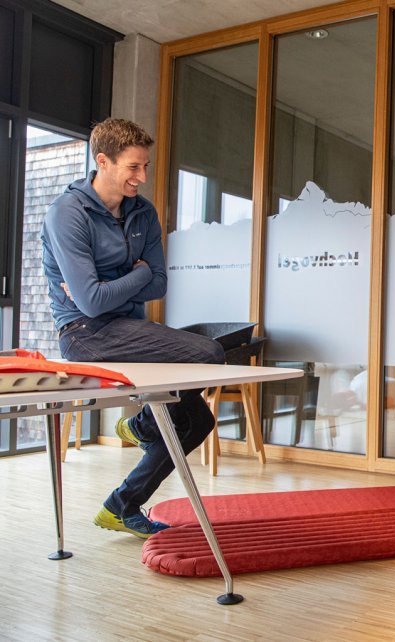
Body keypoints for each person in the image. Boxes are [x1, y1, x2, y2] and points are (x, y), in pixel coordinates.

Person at [41, 118, 225, 539]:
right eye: (133, 167)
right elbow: (90, 303)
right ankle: (142, 425)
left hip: (127, 327)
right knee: (210, 353)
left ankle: (121, 506)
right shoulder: (67, 214)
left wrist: (115, 284)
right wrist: (136, 273)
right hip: (84, 333)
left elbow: (160, 283)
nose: (142, 177)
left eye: (145, 166)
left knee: (197, 422)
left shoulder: (142, 211)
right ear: (103, 161)